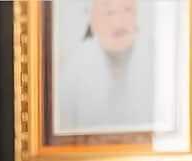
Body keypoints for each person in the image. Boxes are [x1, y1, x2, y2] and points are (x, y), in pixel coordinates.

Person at [55, 0, 157, 135]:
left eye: (127, 9)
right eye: (109, 13)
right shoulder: (74, 68)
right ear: (92, 19)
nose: (119, 22)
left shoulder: (157, 58)